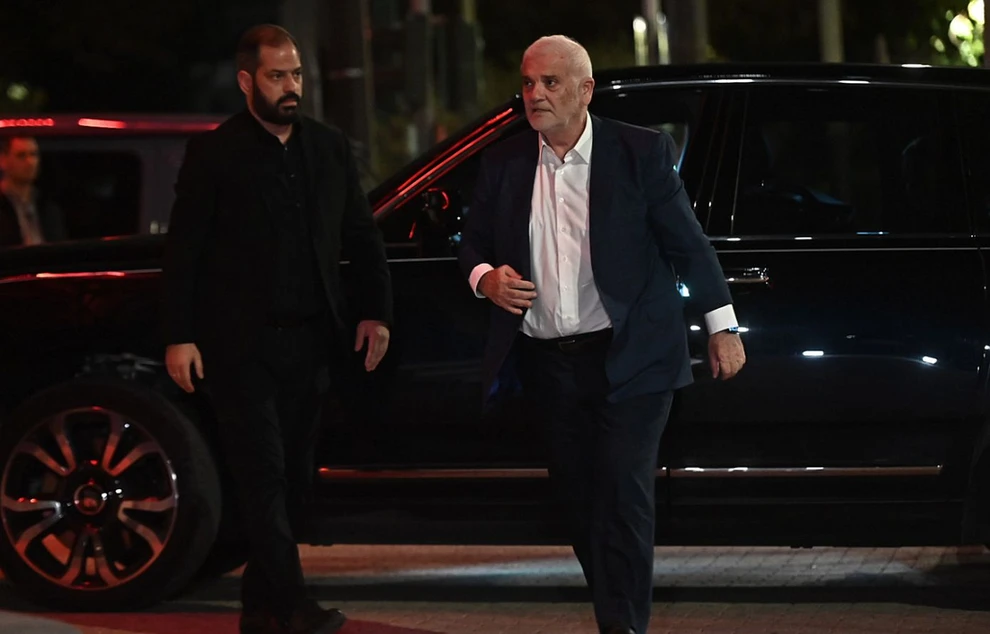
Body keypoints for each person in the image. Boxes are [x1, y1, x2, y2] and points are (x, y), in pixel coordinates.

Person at [458, 35, 746, 634]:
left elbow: (687, 244)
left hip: (633, 357)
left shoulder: (640, 152)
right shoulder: (505, 162)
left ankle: (623, 626)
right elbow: (473, 243)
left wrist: (721, 326)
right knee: (579, 502)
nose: (535, 94)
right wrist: (486, 279)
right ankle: (617, 612)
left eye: (550, 83)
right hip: (549, 365)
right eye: (528, 83)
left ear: (585, 90)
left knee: (623, 494)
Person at [162, 24, 392, 634]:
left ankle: (260, 610)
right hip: (240, 346)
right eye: (276, 76)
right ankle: (291, 605)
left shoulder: (328, 147)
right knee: (262, 474)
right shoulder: (216, 153)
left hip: (312, 342)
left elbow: (362, 237)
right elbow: (185, 250)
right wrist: (179, 335)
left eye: (296, 75)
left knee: (294, 481)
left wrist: (376, 313)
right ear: (247, 81)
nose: (291, 87)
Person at [0, 136, 66, 247]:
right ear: (2, 160)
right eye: (21, 155)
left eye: (34, 154)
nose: (30, 162)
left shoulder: (47, 206)